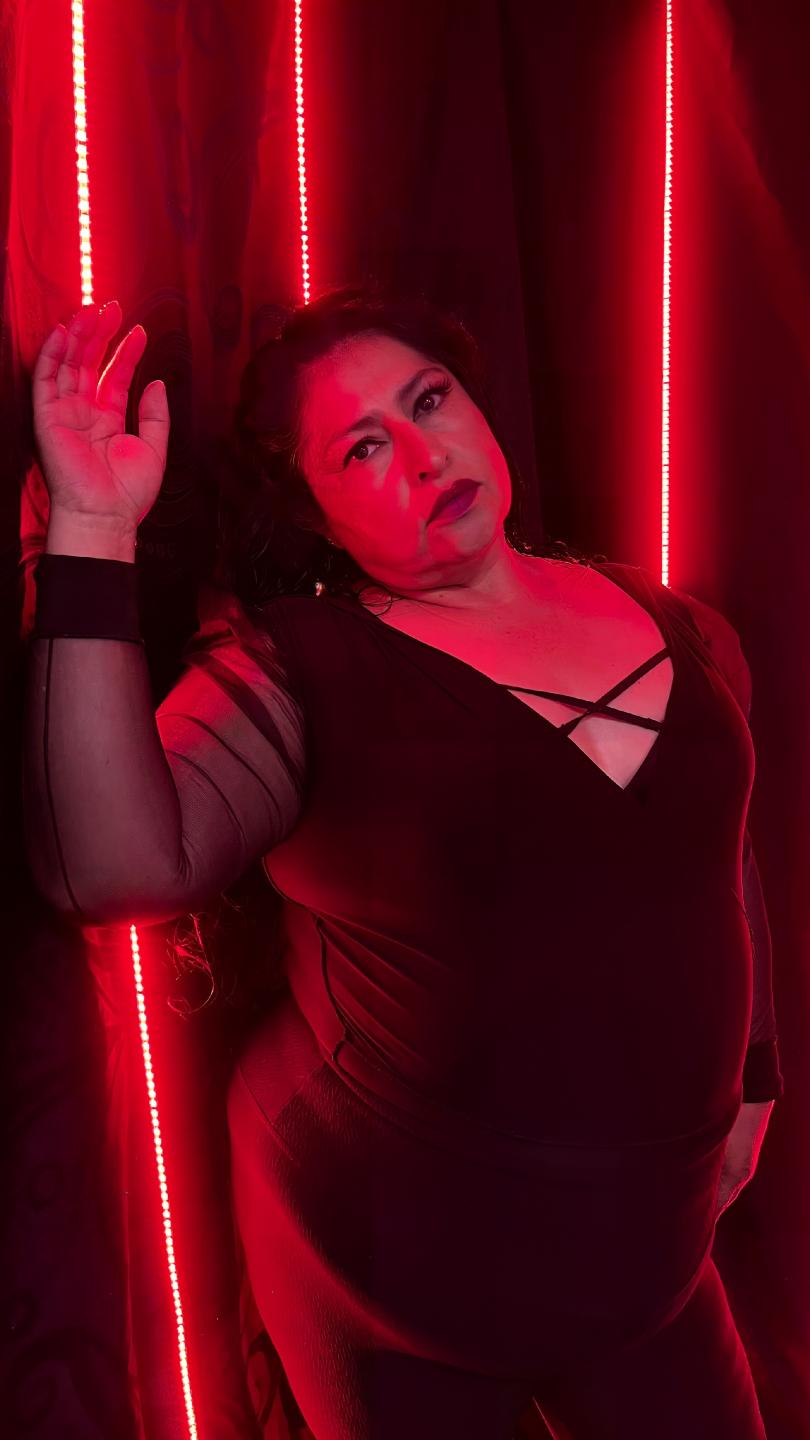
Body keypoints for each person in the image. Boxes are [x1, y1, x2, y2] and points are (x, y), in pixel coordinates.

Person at [23, 284, 783, 1440]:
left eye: (430, 401)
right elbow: (108, 867)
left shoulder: (678, 623)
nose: (425, 457)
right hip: (394, 1278)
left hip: (652, 1266)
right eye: (362, 447)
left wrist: (756, 1075)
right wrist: (90, 530)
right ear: (319, 515)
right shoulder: (298, 670)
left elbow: (722, 859)